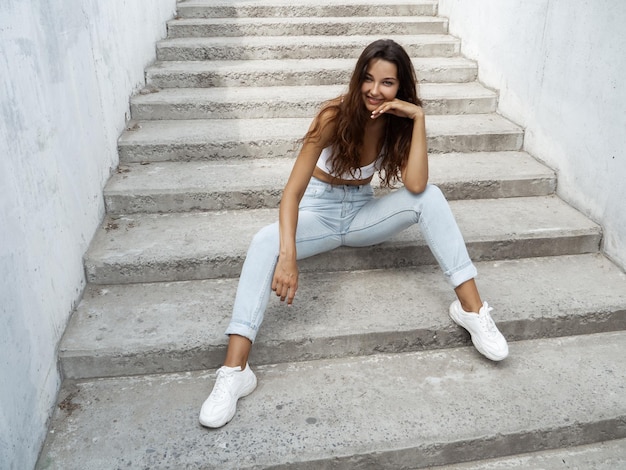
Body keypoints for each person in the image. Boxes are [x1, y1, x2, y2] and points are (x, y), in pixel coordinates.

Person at [199, 39, 508, 429]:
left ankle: (472, 310)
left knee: (431, 196)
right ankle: (234, 372)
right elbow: (291, 195)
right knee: (264, 242)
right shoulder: (332, 116)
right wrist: (289, 257)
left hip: (362, 215)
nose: (375, 90)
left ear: (401, 88)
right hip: (319, 212)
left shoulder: (397, 122)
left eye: (388, 83)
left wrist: (418, 119)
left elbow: (416, 186)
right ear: (357, 78)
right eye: (368, 78)